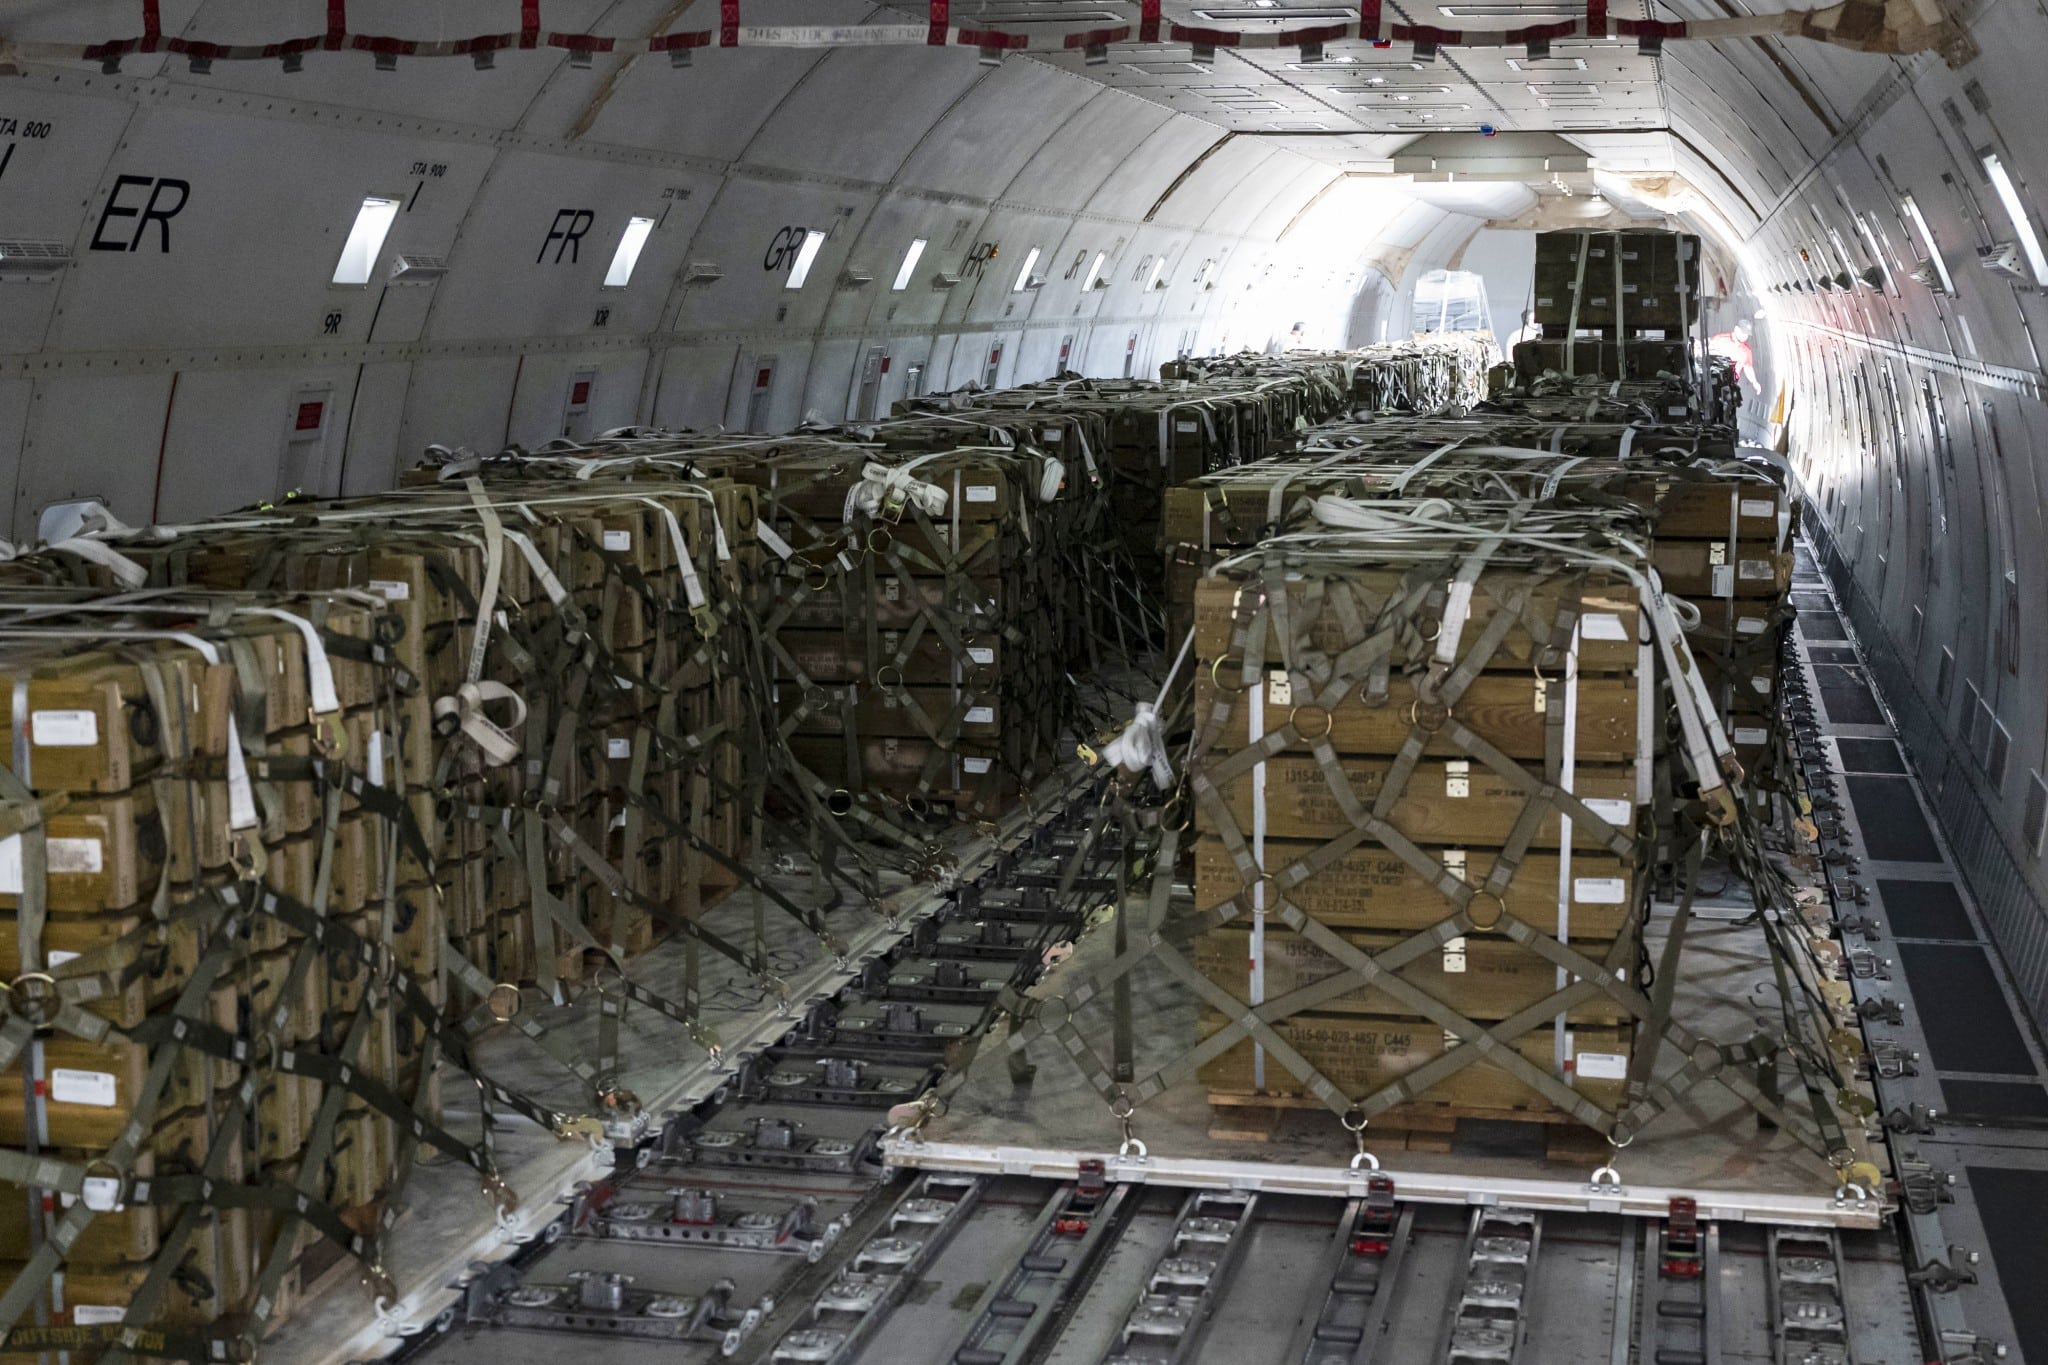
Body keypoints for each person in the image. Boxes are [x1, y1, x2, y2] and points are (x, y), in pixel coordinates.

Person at [1709, 319, 1761, 395]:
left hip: (1729, 386)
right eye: (1743, 333)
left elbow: (1748, 367)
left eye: (1747, 335)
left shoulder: (1746, 351)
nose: (1744, 337)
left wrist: (1754, 382)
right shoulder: (1720, 339)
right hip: (1712, 380)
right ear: (1736, 329)